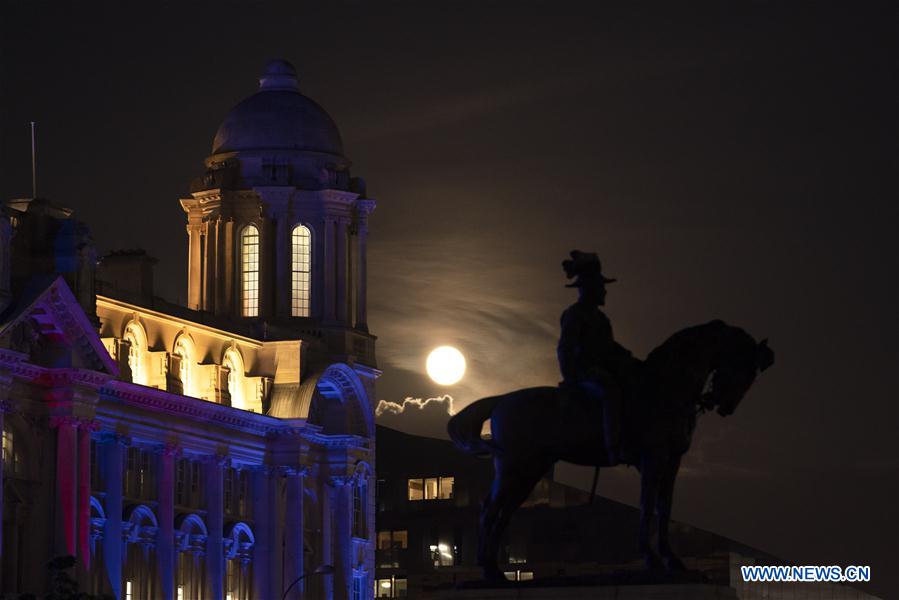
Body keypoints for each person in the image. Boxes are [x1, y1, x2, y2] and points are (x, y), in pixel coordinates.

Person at [557, 250, 635, 465]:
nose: (604, 292)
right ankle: (613, 447)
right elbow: (565, 348)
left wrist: (628, 358)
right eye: (601, 287)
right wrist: (572, 376)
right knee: (611, 392)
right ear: (590, 288)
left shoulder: (601, 318)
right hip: (585, 374)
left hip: (602, 369)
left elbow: (609, 347)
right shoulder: (574, 315)